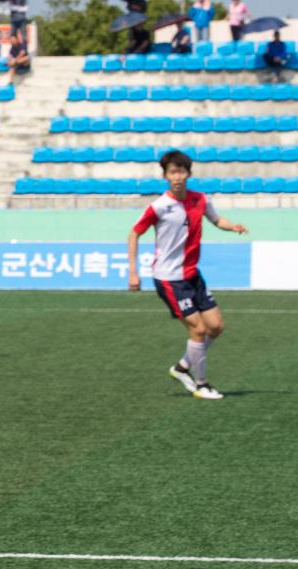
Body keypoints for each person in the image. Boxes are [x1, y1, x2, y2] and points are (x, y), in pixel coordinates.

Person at [127, 150, 248, 401]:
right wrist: (133, 271)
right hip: (169, 279)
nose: (177, 177)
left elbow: (216, 220)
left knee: (216, 326)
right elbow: (134, 233)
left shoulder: (200, 200)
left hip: (193, 275)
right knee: (198, 330)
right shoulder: (159, 207)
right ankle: (201, 385)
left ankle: (182, 368)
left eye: (181, 171)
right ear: (165, 176)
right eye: (172, 172)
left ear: (188, 174)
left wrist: (232, 225)